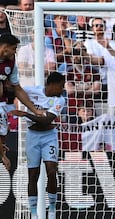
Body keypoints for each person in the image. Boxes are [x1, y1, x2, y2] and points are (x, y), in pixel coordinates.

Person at [10, 72, 66, 219]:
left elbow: (45, 120)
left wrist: (25, 114)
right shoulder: (32, 91)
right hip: (32, 137)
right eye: (61, 86)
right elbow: (16, 90)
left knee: (51, 170)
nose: (63, 89)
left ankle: (52, 208)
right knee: (33, 175)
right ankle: (34, 213)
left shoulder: (60, 100)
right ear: (52, 85)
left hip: (49, 137)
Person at [0, 33, 44, 171]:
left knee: (2, 135)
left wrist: (34, 109)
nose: (15, 52)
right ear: (4, 47)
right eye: (13, 48)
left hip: (2, 104)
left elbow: (17, 88)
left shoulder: (11, 63)